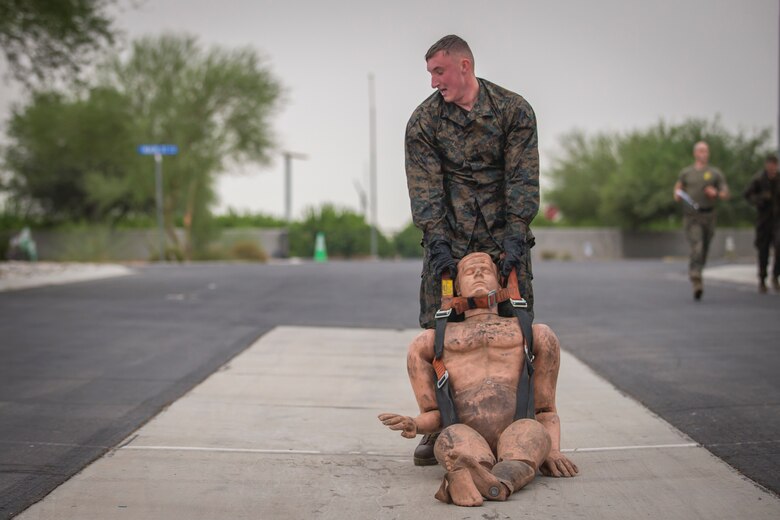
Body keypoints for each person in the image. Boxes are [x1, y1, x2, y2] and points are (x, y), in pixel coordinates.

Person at [405, 34, 539, 463]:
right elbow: (425, 189)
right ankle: (439, 423)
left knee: (518, 328)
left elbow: (522, 177)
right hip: (449, 240)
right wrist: (438, 242)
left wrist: (517, 233)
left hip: (504, 240)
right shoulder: (423, 122)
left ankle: (524, 420)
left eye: (438, 71)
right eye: (430, 73)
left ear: (465, 66)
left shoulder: (513, 110)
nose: (433, 82)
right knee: (438, 330)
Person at [378, 253, 577, 507]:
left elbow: (545, 408)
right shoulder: (431, 342)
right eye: (469, 271)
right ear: (456, 286)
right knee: (450, 438)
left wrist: (553, 450)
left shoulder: (532, 334)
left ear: (500, 282)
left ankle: (478, 481)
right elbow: (434, 414)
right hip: (465, 434)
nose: (479, 273)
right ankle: (494, 482)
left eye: (486, 269)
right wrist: (415, 423)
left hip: (517, 430)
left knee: (532, 432)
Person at [673, 141, 730, 300]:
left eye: (706, 151)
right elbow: (677, 188)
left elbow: (726, 193)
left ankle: (698, 272)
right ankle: (695, 276)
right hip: (692, 216)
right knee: (696, 245)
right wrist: (677, 194)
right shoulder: (687, 173)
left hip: (709, 215)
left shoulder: (714, 173)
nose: (704, 154)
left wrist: (716, 193)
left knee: (704, 248)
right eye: (701, 151)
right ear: (695, 153)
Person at [744, 154, 780, 293]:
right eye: (770, 165)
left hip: (778, 220)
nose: (772, 168)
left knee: (779, 246)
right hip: (764, 220)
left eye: (774, 165)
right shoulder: (759, 179)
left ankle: (776, 275)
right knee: (763, 250)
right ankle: (762, 278)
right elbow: (747, 195)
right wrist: (760, 199)